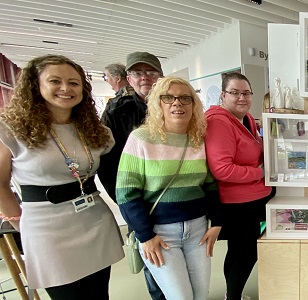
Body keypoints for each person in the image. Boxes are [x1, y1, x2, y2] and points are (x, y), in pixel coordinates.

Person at [0, 55, 123, 299]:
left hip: (94, 221)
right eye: (55, 81)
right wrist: (19, 223)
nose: (66, 89)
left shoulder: (97, 131)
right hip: (47, 229)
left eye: (74, 83)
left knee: (99, 294)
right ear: (36, 86)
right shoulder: (11, 129)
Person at [116, 76, 222, 299]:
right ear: (158, 103)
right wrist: (145, 235)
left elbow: (211, 186)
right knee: (180, 297)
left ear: (194, 104)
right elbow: (126, 194)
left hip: (198, 231)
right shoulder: (141, 138)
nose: (177, 103)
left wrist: (217, 223)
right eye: (169, 98)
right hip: (160, 234)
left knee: (201, 295)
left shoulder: (198, 140)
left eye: (185, 98)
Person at [98, 51, 165, 300]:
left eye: (150, 71)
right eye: (138, 72)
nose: (144, 77)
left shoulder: (175, 104)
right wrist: (124, 201)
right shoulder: (117, 110)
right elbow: (107, 163)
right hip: (139, 199)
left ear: (160, 76)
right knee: (152, 258)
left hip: (174, 197)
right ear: (128, 77)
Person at [204, 72, 275, 300]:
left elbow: (255, 151)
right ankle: (233, 296)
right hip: (237, 203)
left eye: (246, 93)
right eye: (235, 93)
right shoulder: (219, 122)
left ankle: (231, 295)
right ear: (223, 95)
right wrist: (260, 173)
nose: (241, 98)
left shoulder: (247, 120)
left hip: (252, 199)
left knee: (238, 251)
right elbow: (222, 169)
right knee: (246, 253)